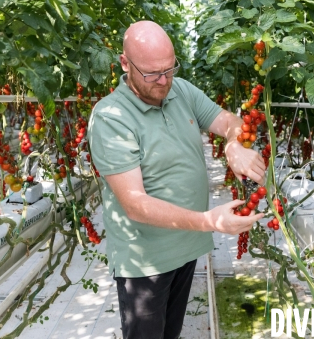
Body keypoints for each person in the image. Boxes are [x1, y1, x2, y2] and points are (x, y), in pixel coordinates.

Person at [87, 20, 266, 339]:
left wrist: (234, 143)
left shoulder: (181, 91)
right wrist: (209, 221)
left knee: (171, 333)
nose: (163, 80)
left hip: (185, 246)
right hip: (144, 262)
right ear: (125, 64)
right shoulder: (110, 117)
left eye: (169, 69)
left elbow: (228, 121)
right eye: (153, 73)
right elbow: (135, 205)